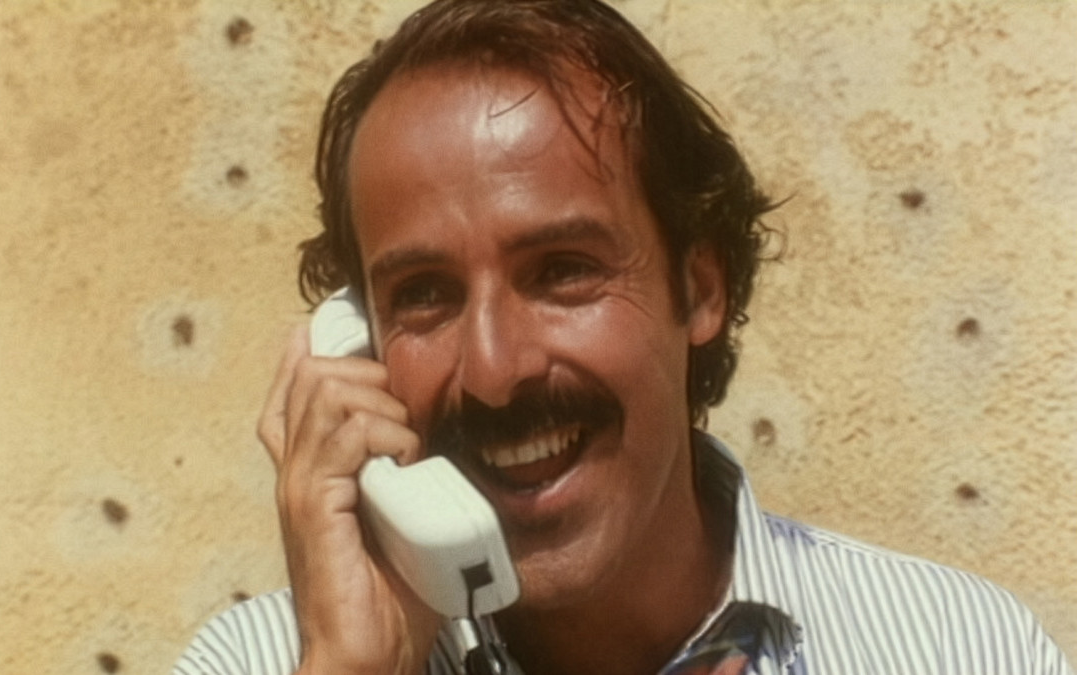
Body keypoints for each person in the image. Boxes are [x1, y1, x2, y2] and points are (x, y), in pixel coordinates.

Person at [174, 1, 1074, 673]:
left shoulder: (963, 646)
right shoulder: (259, 660)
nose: (493, 370)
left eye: (562, 270)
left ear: (700, 285)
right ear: (356, 344)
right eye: (425, 295)